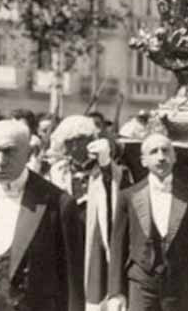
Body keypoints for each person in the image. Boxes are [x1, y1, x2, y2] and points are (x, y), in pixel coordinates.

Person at [0, 119, 85, 311]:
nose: (1, 162)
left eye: (9, 151)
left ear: (29, 153)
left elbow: (73, 281)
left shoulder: (58, 204)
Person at [108, 133, 188, 311]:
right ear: (143, 160)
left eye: (166, 151)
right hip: (140, 288)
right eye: (154, 152)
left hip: (182, 289)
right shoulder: (128, 196)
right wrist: (115, 292)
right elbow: (118, 246)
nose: (160, 157)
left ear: (174, 158)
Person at [48, 115, 132, 310]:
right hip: (68, 238)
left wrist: (105, 166)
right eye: (69, 142)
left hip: (95, 237)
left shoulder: (107, 169)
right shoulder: (58, 171)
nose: (75, 146)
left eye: (80, 140)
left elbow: (118, 191)